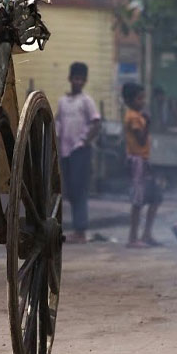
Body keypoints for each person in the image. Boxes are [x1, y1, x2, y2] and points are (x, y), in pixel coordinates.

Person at [55, 62, 101, 244]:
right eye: (76, 78)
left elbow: (96, 123)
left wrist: (83, 141)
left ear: (85, 81)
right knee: (71, 190)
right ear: (70, 79)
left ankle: (80, 230)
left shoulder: (86, 101)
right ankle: (77, 228)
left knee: (79, 189)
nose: (78, 82)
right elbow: (57, 123)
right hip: (65, 151)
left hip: (80, 150)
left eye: (82, 79)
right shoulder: (63, 101)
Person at [122, 82, 161, 248]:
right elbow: (141, 139)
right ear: (130, 100)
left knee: (155, 198)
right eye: (139, 98)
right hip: (137, 161)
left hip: (143, 160)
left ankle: (146, 234)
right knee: (137, 201)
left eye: (143, 97)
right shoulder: (133, 117)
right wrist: (148, 122)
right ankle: (133, 238)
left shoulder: (137, 115)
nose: (143, 101)